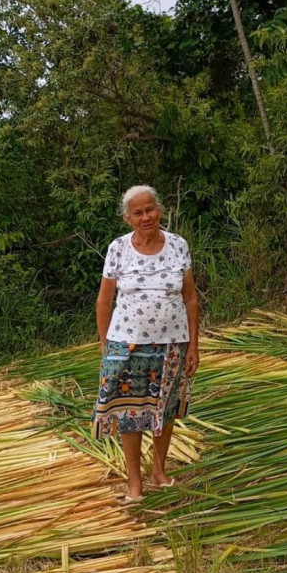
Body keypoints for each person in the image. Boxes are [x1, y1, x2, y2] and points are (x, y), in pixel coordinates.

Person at [92, 185, 200, 502]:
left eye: (150, 209)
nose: (145, 217)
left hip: (172, 344)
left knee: (164, 410)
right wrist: (104, 346)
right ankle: (135, 485)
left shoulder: (178, 245)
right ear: (128, 218)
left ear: (160, 211)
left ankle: (159, 472)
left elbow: (191, 297)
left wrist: (194, 345)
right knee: (130, 414)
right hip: (127, 345)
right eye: (138, 213)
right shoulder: (118, 249)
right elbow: (103, 302)